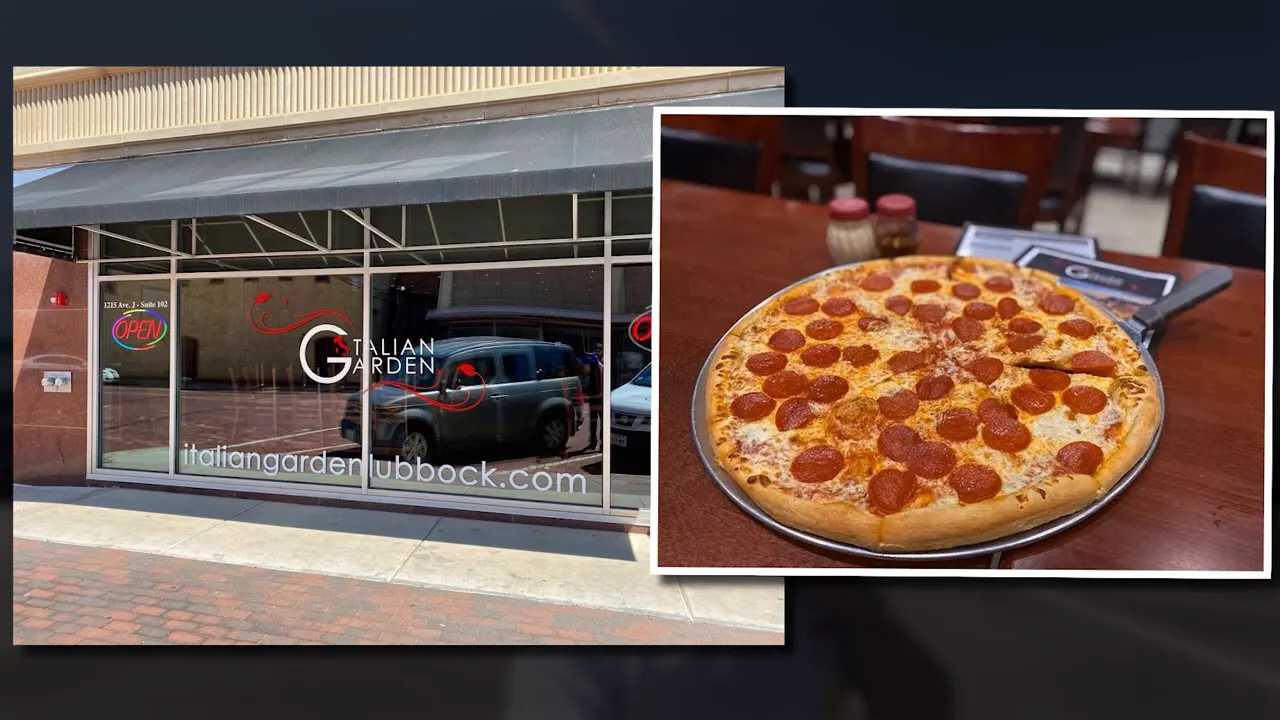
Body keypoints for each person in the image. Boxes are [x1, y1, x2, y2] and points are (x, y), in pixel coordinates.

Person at [582, 344, 604, 451]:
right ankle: (593, 442)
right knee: (593, 421)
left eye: (599, 350)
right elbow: (585, 371)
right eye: (595, 350)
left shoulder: (604, 361)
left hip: (602, 395)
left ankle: (603, 443)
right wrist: (585, 362)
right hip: (593, 395)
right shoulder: (592, 363)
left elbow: (604, 371)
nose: (597, 352)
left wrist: (598, 362)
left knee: (603, 421)